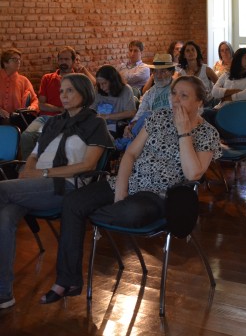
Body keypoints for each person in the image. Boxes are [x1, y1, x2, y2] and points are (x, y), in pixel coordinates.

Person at [40, 75, 221, 304]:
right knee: (73, 202)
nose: (175, 100)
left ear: (199, 102)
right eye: (174, 93)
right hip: (127, 182)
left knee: (128, 214)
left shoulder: (208, 133)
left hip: (160, 195)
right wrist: (120, 190)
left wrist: (184, 132)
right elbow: (131, 154)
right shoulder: (157, 117)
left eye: (184, 96)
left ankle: (95, 216)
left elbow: (193, 174)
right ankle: (67, 281)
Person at [0, 74, 113, 309]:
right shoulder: (53, 122)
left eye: (70, 91)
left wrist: (42, 174)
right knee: (4, 217)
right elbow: (33, 155)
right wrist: (28, 173)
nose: (63, 96)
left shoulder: (95, 123)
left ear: (85, 92)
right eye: (62, 91)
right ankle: (4, 293)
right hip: (33, 188)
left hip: (65, 187)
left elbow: (87, 166)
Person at [19, 47, 76, 160]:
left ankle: (43, 166)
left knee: (45, 137)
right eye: (61, 59)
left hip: (64, 119)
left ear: (73, 61)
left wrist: (59, 111)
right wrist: (59, 109)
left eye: (67, 59)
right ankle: (27, 165)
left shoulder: (78, 79)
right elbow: (41, 105)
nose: (63, 62)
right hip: (45, 118)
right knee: (26, 136)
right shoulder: (47, 78)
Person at [120, 54, 177, 144]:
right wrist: (130, 126)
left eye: (163, 72)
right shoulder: (149, 93)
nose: (158, 76)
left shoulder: (179, 89)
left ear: (172, 72)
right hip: (152, 129)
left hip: (173, 128)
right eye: (155, 72)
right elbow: (140, 114)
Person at [91, 65, 137, 135]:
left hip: (117, 126)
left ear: (113, 81)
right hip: (99, 125)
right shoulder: (98, 89)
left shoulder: (126, 90)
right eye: (99, 84)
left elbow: (131, 113)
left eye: (104, 83)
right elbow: (92, 109)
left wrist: (107, 116)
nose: (101, 87)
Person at [0, 48, 38, 124]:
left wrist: (33, 107)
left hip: (17, 118)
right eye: (14, 59)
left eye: (19, 59)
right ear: (5, 63)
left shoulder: (24, 80)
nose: (18, 62)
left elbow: (35, 100)